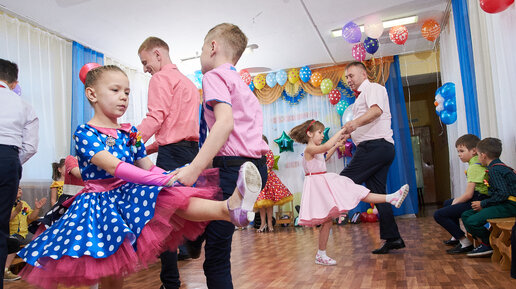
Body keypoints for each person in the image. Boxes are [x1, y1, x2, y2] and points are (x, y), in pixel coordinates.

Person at [16, 64, 262, 289]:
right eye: (115, 90)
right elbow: (116, 167)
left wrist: (170, 178)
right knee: (111, 274)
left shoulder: (130, 132)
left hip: (126, 195)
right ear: (92, 94)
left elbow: (147, 166)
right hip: (100, 206)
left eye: (127, 91)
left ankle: (229, 208)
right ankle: (227, 207)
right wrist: (161, 180)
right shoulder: (85, 132)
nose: (124, 96)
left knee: (172, 197)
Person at [172, 23, 269, 288]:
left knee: (215, 258)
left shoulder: (214, 76)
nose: (202, 53)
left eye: (202, 48)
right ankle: (226, 220)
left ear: (213, 47)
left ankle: (200, 238)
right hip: (256, 167)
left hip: (233, 170)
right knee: (214, 230)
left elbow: (224, 124)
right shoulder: (242, 85)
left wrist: (193, 168)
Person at [289, 119, 409, 265]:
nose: (322, 135)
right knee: (352, 193)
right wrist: (342, 131)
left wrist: (336, 146)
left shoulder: (316, 150)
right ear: (309, 133)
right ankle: (390, 198)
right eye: (320, 132)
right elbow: (326, 146)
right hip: (318, 187)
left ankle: (391, 198)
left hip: (323, 183)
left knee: (335, 214)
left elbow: (324, 156)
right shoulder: (309, 149)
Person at [137, 36, 202, 289]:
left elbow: (155, 118)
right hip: (191, 153)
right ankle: (196, 239)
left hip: (171, 156)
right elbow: (173, 129)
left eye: (145, 62)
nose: (145, 68)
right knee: (190, 208)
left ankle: (171, 283)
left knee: (161, 219)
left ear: (157, 54)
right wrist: (149, 147)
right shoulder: (188, 83)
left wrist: (128, 142)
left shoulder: (160, 78)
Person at [340, 61, 404, 254]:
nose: (348, 80)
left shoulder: (374, 88)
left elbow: (376, 112)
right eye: (347, 78)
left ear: (363, 74)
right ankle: (393, 238)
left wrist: (354, 124)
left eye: (351, 76)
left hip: (375, 147)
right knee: (378, 196)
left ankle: (332, 215)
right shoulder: (359, 99)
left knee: (342, 182)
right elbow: (366, 122)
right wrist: (349, 134)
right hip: (375, 148)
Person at [0, 58, 39, 283]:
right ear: (14, 83)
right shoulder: (24, 105)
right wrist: (10, 163)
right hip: (8, 159)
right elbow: (31, 147)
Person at [433, 134, 489, 254]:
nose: (459, 154)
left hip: (478, 200)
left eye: (462, 151)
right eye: (458, 151)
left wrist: (455, 202)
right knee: (447, 203)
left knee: (439, 215)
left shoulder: (474, 167)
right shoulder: (475, 163)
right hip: (479, 196)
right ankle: (456, 235)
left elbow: (468, 195)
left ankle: (465, 242)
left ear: (474, 151)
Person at [461, 137, 516, 257]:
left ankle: (488, 244)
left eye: (479, 155)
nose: (478, 158)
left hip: (510, 205)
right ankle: (489, 242)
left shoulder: (494, 170)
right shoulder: (500, 166)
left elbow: (502, 194)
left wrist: (483, 204)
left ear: (483, 155)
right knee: (466, 215)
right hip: (504, 203)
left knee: (472, 221)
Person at [28, 155, 85, 235]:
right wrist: (55, 208)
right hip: (65, 202)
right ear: (59, 169)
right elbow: (53, 199)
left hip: (80, 200)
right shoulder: (57, 183)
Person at [4, 187, 47, 281]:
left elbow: (30, 217)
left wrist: (37, 209)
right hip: (10, 234)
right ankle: (5, 270)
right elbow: (4, 221)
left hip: (23, 235)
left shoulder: (23, 204)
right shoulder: (6, 204)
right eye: (17, 188)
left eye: (20, 188)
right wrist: (15, 211)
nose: (20, 190)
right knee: (14, 241)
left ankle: (40, 269)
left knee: (40, 239)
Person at [254, 135, 293, 233]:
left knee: (269, 203)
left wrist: (262, 170)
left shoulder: (268, 152)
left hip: (268, 179)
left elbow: (270, 164)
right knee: (261, 204)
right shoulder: (255, 154)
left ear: (265, 143)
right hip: (259, 180)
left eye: (262, 142)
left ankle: (270, 223)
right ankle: (263, 224)